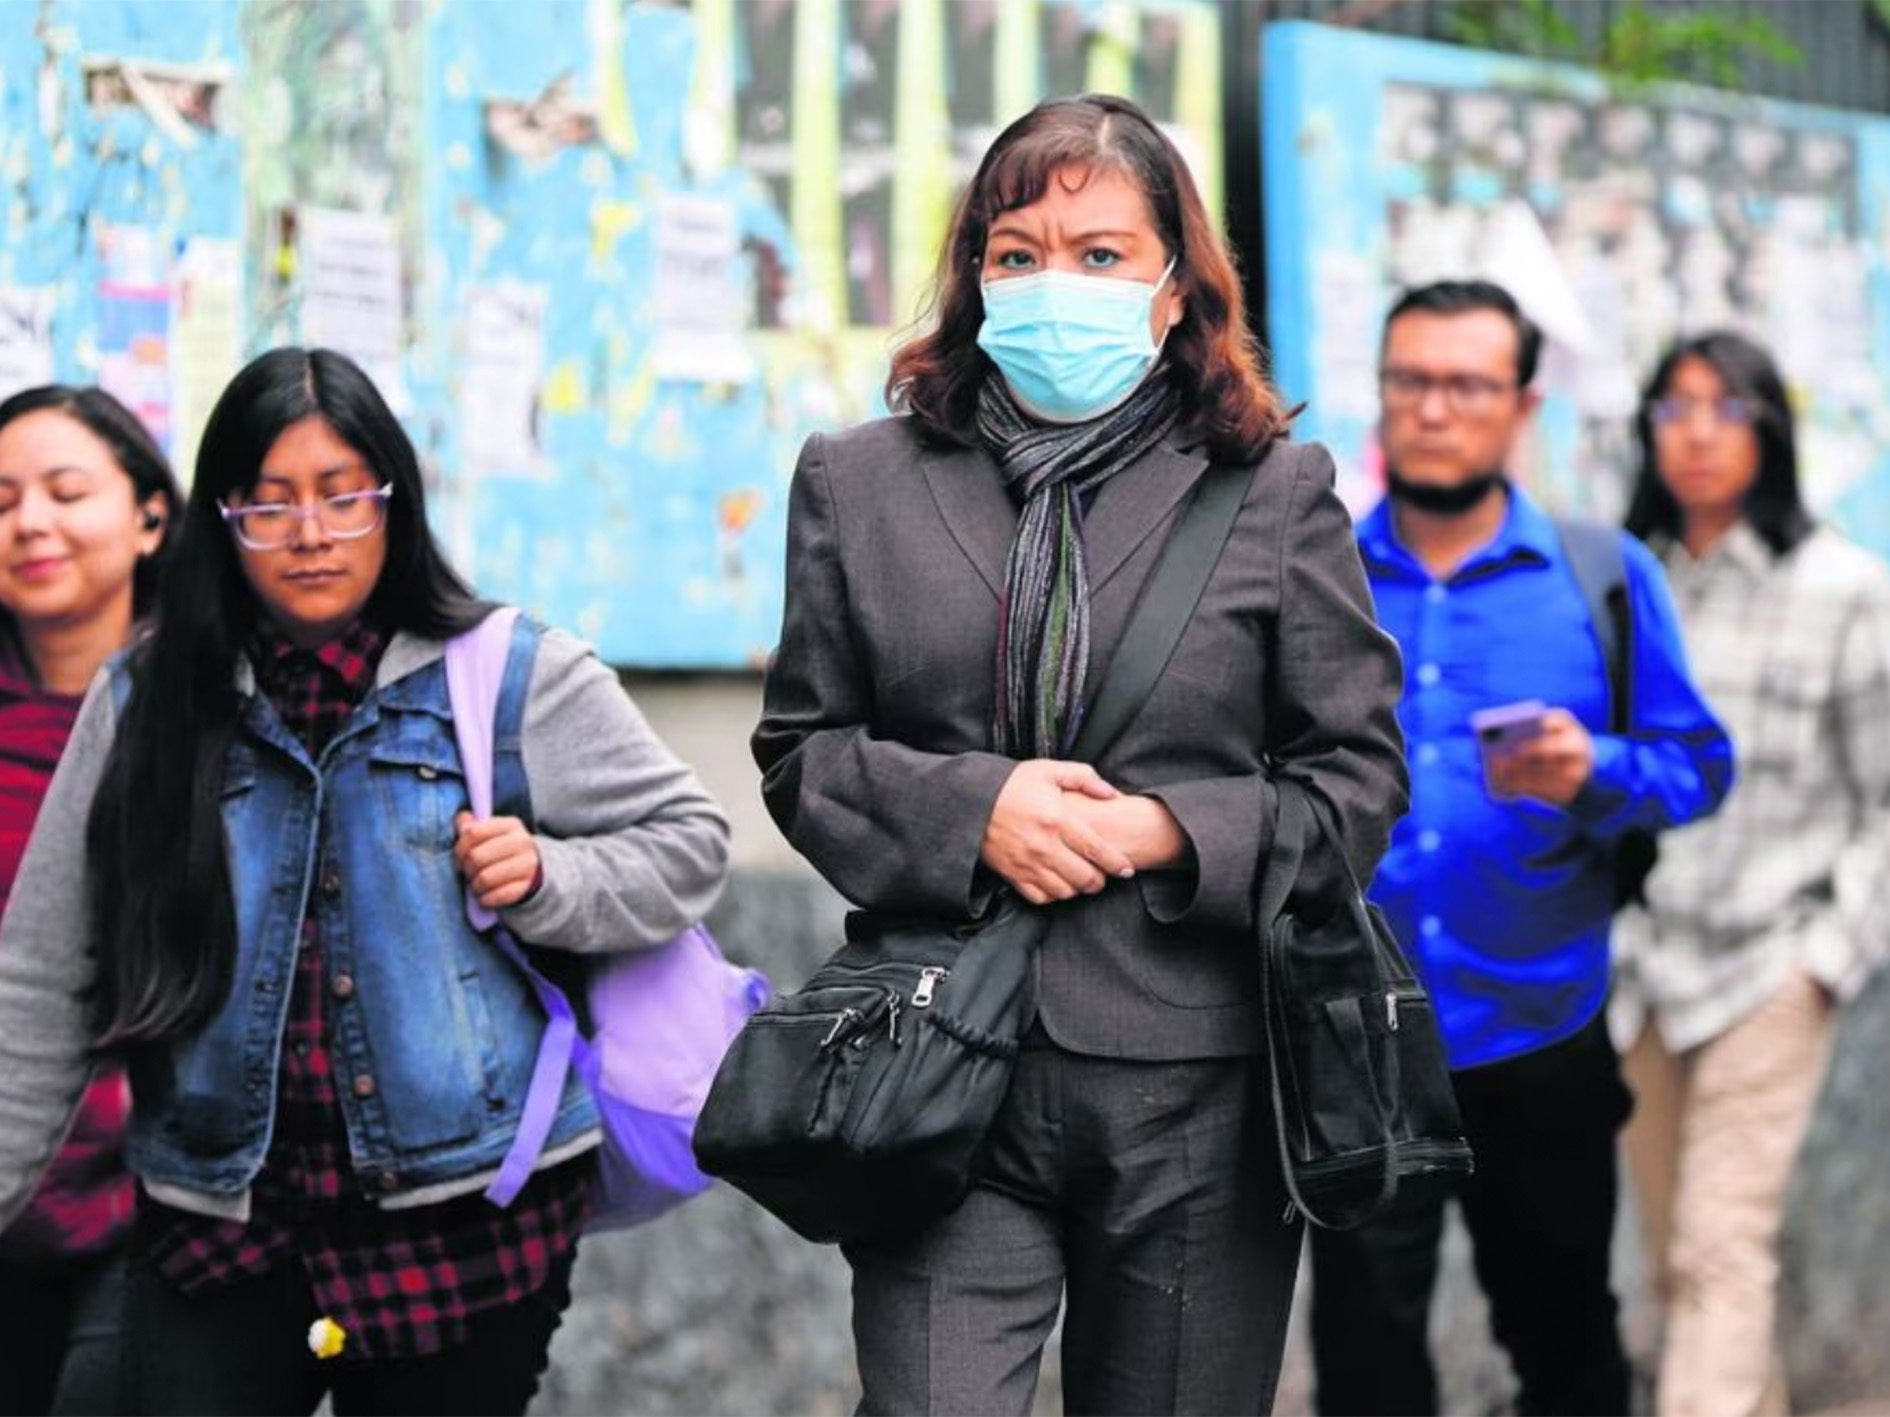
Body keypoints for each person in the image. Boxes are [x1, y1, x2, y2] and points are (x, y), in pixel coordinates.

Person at [752, 93, 1409, 1415]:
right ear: (974, 276)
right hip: (932, 1062)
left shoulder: (1273, 491)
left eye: (1100, 255)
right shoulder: (858, 480)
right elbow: (803, 750)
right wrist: (972, 809)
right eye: (1018, 253)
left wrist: (1167, 829)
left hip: (1195, 1087)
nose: (1057, 284)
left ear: (1173, 290)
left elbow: (1354, 779)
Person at [0, 347, 731, 1415]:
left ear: (394, 502)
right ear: (223, 516)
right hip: (218, 1227)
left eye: (344, 497)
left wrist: (551, 877)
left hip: (467, 1228)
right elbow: (40, 977)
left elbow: (690, 841)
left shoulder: (510, 673)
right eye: (270, 504)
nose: (310, 534)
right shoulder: (146, 701)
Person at [1310, 280, 1734, 1417]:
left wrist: (1594, 769)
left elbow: (1699, 767)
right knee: (1363, 1355)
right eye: (1411, 381)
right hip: (1359, 1040)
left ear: (1522, 404)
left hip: (1543, 1027)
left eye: (1466, 384)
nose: (1434, 408)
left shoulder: (1603, 577)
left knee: (1565, 1339)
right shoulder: (1319, 578)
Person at [1612, 331, 1890, 1417]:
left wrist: (1830, 956)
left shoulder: (1849, 591)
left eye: (1724, 410)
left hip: (1771, 965)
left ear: (1770, 431)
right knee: (1683, 1258)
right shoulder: (1627, 579)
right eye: (1673, 409)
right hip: (1643, 965)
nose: (1695, 434)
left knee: (1722, 1247)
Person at [0, 385, 181, 1414]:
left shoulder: (213, 710)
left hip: (157, 1207)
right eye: (0, 501)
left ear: (150, 514)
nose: (30, 522)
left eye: (67, 491)